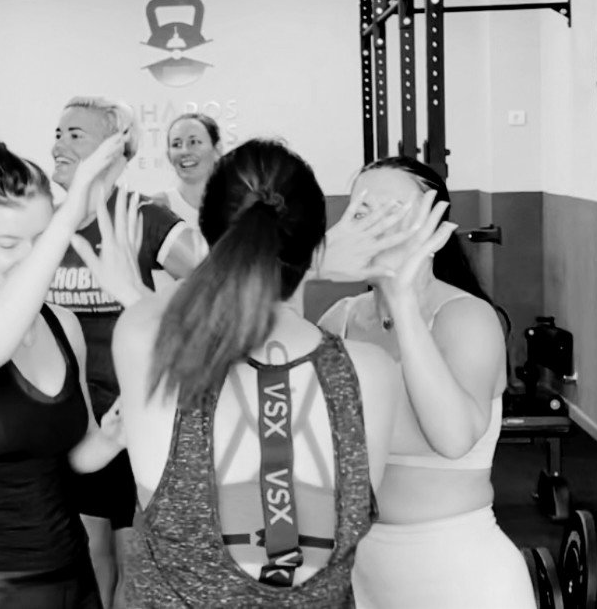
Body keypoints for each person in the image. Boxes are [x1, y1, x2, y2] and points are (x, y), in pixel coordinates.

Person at [77, 138, 399, 607]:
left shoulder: (144, 338)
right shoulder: (372, 372)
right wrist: (315, 262)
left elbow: (178, 310)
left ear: (207, 238)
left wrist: (312, 262)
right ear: (313, 244)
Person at [0, 135, 129, 609]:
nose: (33, 258)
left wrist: (114, 436)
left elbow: (76, 457)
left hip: (74, 577)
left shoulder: (63, 326)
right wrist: (69, 214)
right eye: (9, 243)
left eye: (41, 238)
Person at [317, 156, 535, 609]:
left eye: (392, 211)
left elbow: (453, 438)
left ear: (434, 228)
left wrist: (402, 300)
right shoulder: (339, 321)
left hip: (464, 578)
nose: (373, 227)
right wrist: (308, 266)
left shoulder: (467, 317)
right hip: (366, 575)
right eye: (361, 211)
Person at [48, 96, 202, 608]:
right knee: (89, 555)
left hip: (133, 418)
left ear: (114, 151)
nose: (59, 145)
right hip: (75, 423)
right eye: (58, 133)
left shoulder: (143, 218)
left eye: (76, 135)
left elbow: (217, 286)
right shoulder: (48, 226)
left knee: (133, 557)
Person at [153, 112, 222, 230]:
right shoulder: (156, 208)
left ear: (217, 149)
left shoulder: (241, 208)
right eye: (177, 144)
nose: (184, 151)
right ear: (168, 155)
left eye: (194, 142)